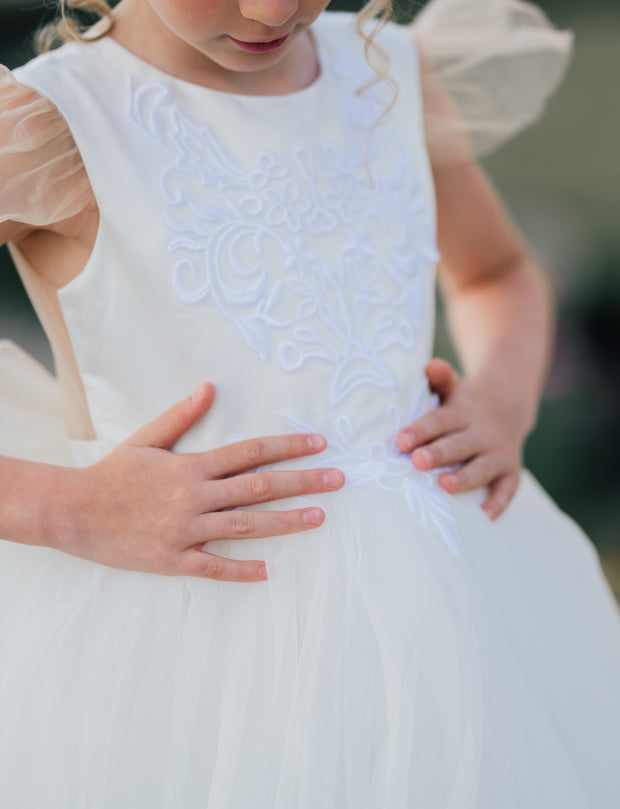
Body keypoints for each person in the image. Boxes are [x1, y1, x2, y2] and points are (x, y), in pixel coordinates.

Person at [0, 0, 619, 805]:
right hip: (188, 644)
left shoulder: (384, 71)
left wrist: (503, 397)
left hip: (460, 603)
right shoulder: (55, 125)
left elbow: (496, 269)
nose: (273, 8)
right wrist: (66, 507)